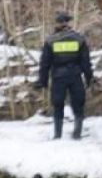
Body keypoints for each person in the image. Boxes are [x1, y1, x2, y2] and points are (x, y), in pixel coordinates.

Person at [36, 12, 93, 140]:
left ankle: (57, 135)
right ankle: (77, 134)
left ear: (57, 24)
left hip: (58, 77)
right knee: (78, 104)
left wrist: (42, 81)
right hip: (75, 76)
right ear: (68, 23)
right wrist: (89, 78)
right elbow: (86, 62)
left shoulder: (50, 41)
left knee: (58, 105)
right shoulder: (79, 39)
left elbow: (45, 63)